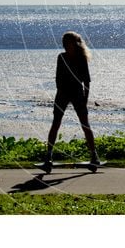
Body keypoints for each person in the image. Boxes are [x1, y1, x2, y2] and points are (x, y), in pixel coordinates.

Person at [41, 31, 100, 173]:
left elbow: (87, 81)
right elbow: (57, 78)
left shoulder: (82, 58)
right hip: (62, 93)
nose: (65, 45)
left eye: (68, 43)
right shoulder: (61, 57)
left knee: (85, 124)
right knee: (55, 123)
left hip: (78, 94)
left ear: (75, 44)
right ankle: (48, 156)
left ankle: (94, 155)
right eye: (64, 43)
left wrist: (85, 100)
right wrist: (61, 93)